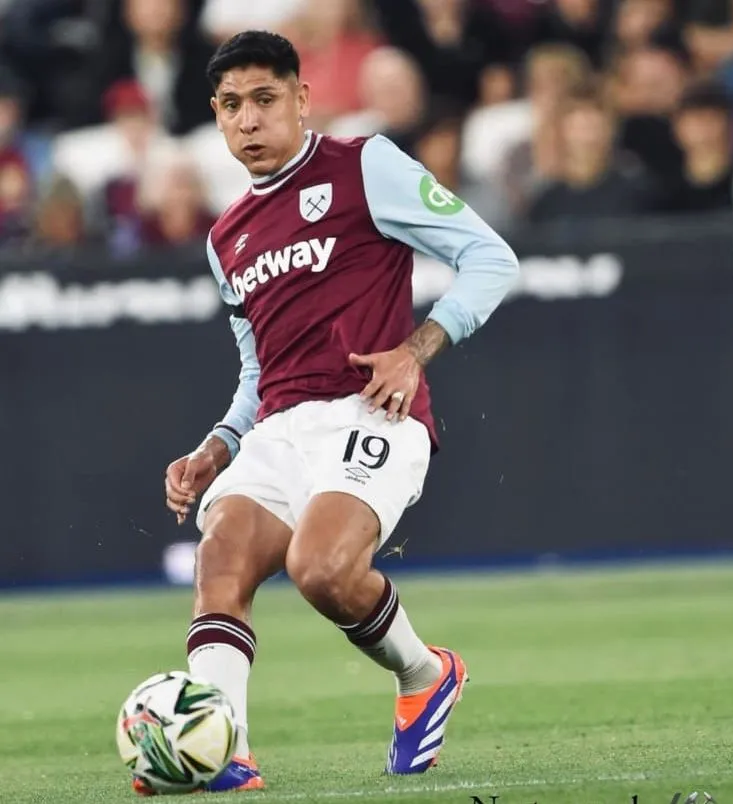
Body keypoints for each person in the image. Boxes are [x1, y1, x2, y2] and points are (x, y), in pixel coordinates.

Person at [143, 30, 519, 795]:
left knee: (320, 570)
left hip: (371, 413)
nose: (247, 120)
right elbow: (258, 368)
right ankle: (224, 755)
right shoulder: (226, 237)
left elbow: (491, 258)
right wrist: (219, 443)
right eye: (229, 106)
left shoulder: (363, 166)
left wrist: (416, 349)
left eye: (264, 99)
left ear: (302, 99)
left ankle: (426, 672)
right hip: (278, 430)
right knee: (220, 562)